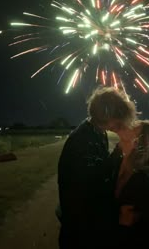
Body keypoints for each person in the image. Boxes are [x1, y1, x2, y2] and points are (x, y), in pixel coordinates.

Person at [57, 86, 136, 249]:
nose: (120, 122)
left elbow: (103, 167)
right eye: (117, 118)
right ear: (106, 116)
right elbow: (94, 189)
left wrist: (121, 147)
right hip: (81, 232)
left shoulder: (98, 132)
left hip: (88, 225)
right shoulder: (82, 141)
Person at [110, 119, 149, 248]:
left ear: (137, 143)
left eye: (131, 127)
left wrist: (124, 225)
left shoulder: (141, 182)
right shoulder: (117, 161)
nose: (126, 126)